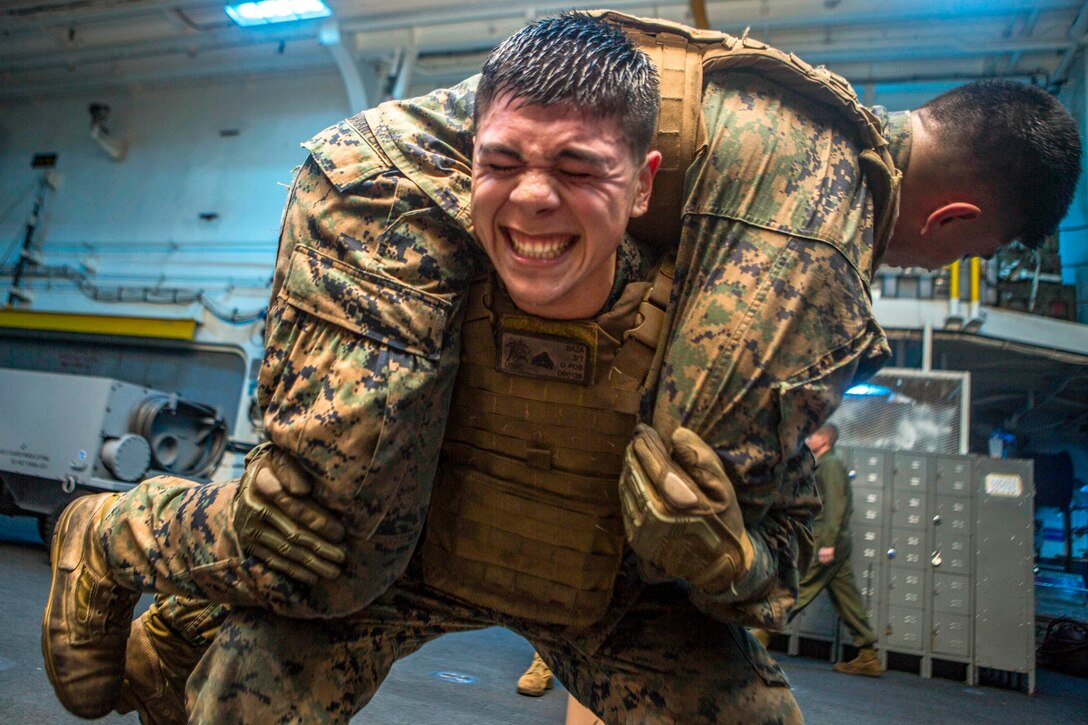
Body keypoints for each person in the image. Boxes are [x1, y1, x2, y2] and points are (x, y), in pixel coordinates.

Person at [41, 11, 1080, 724]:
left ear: (644, 182)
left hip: (586, 575)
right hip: (383, 198)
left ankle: (194, 588)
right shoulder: (819, 204)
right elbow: (715, 449)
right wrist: (736, 541)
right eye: (945, 253)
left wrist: (734, 555)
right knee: (335, 524)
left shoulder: (794, 161)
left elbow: (736, 510)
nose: (916, 263)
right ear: (957, 221)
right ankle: (120, 535)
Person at [795, 423, 884, 676]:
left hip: (828, 539)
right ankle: (868, 655)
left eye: (811, 434)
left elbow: (835, 506)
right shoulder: (823, 464)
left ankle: (761, 632)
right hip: (831, 539)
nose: (807, 437)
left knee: (800, 586)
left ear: (825, 440)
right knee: (846, 598)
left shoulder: (830, 465)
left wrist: (828, 543)